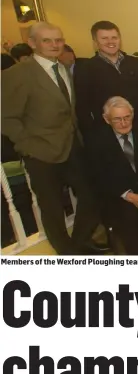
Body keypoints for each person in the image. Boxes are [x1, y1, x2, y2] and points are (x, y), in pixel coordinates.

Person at [1, 22, 103, 255]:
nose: (54, 45)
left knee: (93, 194)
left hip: (72, 148)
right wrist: (27, 146)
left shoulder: (64, 68)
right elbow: (6, 116)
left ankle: (76, 245)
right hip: (41, 154)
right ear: (32, 43)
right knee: (52, 209)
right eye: (47, 40)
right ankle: (67, 255)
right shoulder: (17, 74)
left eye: (58, 40)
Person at [85, 97, 138, 255]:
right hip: (118, 194)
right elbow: (97, 177)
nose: (124, 123)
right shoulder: (95, 141)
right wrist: (130, 196)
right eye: (117, 119)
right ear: (106, 119)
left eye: (127, 117)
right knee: (128, 218)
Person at [74, 20, 138, 136]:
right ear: (95, 42)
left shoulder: (135, 63)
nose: (110, 42)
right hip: (106, 132)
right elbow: (82, 107)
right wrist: (90, 134)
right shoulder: (85, 68)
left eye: (114, 37)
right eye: (104, 38)